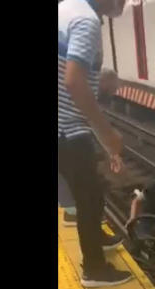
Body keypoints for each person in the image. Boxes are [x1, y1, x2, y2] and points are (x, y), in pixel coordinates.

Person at [59, 0, 131, 287]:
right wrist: (108, 132)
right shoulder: (86, 21)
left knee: (93, 191)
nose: (125, 3)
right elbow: (75, 82)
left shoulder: (67, 7)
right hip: (66, 129)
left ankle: (97, 240)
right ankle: (94, 269)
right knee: (88, 200)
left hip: (66, 127)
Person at [60, 68, 119, 243]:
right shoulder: (84, 94)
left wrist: (110, 152)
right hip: (67, 145)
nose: (113, 93)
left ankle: (94, 236)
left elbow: (92, 126)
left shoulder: (86, 92)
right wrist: (111, 150)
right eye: (113, 89)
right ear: (104, 83)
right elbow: (94, 125)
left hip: (69, 144)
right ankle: (94, 252)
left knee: (94, 195)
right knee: (90, 197)